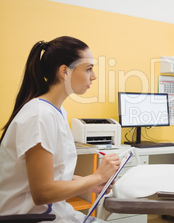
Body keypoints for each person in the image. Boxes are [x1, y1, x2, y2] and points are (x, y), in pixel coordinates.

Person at [0, 36, 121, 222]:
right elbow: (43, 193)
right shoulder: (39, 116)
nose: (94, 76)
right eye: (88, 69)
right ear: (65, 71)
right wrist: (96, 177)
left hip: (54, 213)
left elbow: (52, 176)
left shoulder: (57, 112)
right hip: (31, 218)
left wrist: (88, 184)